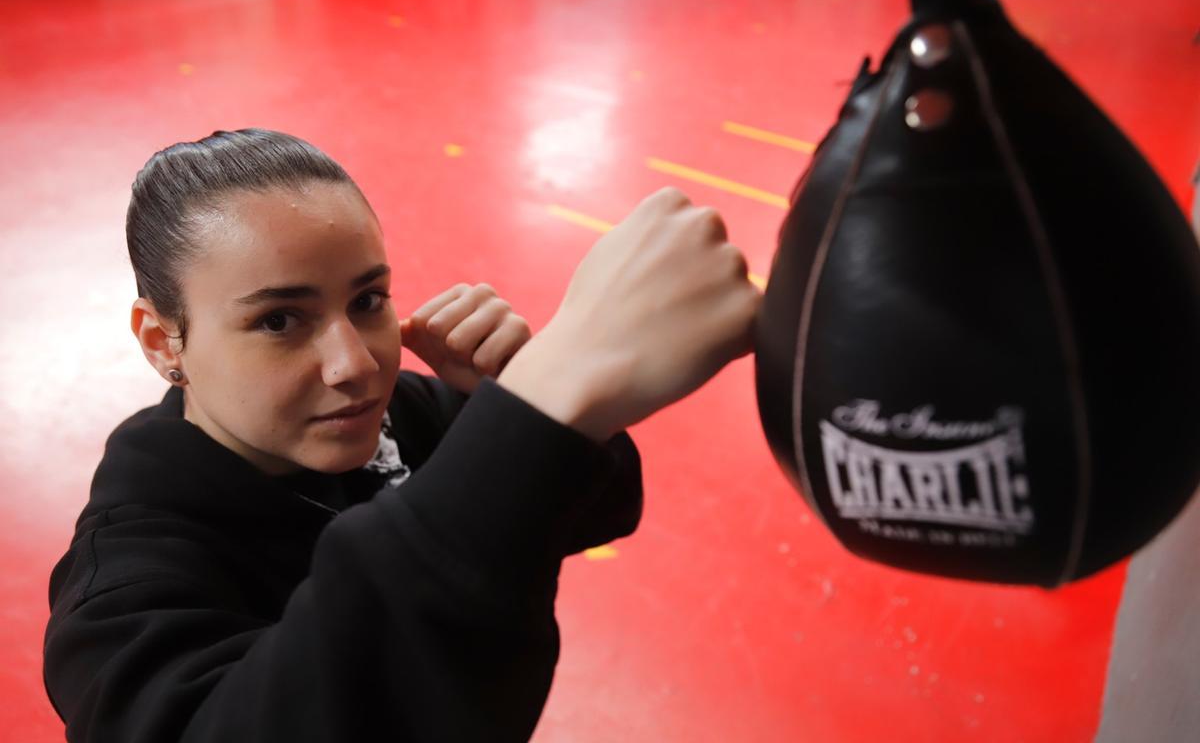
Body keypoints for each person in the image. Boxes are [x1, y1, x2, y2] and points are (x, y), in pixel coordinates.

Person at [43, 129, 760, 742]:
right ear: (162, 340)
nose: (354, 365)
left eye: (368, 300)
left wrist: (514, 399)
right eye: (278, 321)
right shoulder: (122, 591)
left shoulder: (394, 412)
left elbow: (604, 507)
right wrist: (542, 400)